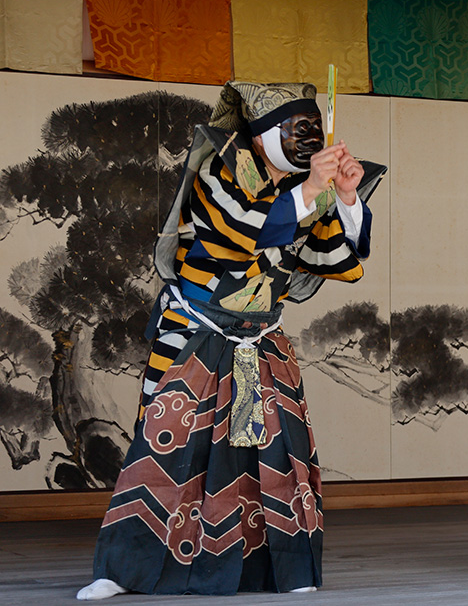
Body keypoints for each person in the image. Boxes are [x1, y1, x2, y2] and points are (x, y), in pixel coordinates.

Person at [77, 81, 385, 599]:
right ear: (262, 134)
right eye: (297, 128)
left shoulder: (305, 185)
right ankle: (123, 568)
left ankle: (282, 571)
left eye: (316, 129)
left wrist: (346, 196)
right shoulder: (222, 169)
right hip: (197, 335)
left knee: (278, 455)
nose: (309, 139)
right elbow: (235, 237)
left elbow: (333, 258)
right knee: (165, 449)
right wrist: (311, 190)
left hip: (262, 340)